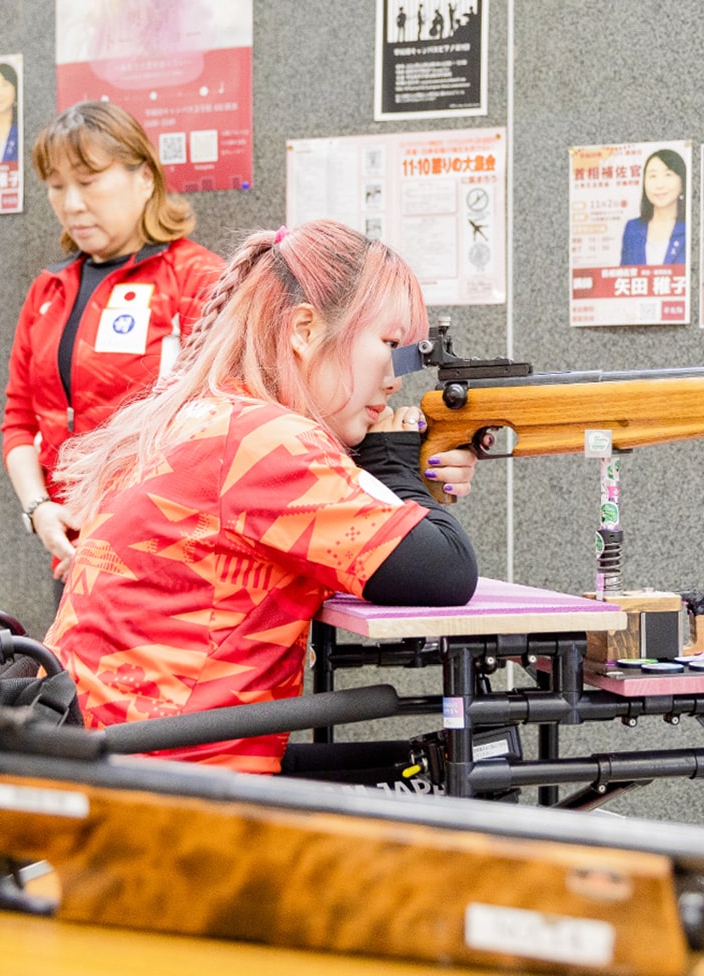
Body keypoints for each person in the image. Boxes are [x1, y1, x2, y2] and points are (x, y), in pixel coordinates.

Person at [42, 220, 480, 774]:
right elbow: (444, 572)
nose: (396, 379)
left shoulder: (209, 418)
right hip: (175, 779)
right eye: (390, 345)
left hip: (110, 757)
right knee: (454, 774)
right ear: (304, 330)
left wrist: (403, 480)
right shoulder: (267, 441)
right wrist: (392, 464)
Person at [1, 100, 225, 586]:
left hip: (169, 558)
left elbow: (227, 423)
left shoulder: (197, 278)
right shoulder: (49, 291)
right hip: (74, 555)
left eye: (88, 181)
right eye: (56, 186)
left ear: (144, 179)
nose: (71, 204)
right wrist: (39, 509)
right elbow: (19, 420)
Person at [619, 149, 687, 266]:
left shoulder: (689, 227)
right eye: (652, 176)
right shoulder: (632, 229)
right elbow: (624, 273)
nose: (659, 185)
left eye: (668, 175)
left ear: (682, 182)